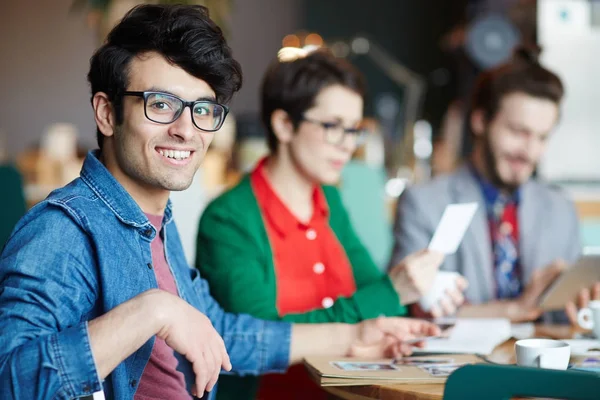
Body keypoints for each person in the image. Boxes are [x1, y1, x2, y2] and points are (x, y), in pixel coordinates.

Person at [0, 5, 441, 400]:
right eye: (161, 104)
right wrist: (153, 310)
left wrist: (356, 334)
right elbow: (10, 378)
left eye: (203, 109)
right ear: (107, 113)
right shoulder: (63, 229)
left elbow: (226, 332)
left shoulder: (156, 222)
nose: (187, 130)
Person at [195, 49, 467, 400]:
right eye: (332, 126)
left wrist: (419, 297)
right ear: (284, 125)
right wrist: (392, 292)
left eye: (353, 129)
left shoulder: (331, 202)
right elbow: (262, 338)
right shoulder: (229, 218)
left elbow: (376, 296)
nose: (347, 145)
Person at [390, 48, 600, 323]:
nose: (530, 151)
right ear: (480, 121)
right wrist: (516, 309)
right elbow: (405, 312)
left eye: (542, 137)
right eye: (518, 132)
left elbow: (569, 312)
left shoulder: (560, 207)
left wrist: (584, 298)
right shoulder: (424, 203)